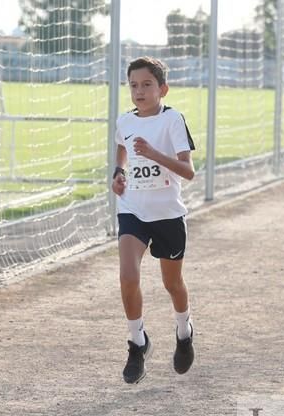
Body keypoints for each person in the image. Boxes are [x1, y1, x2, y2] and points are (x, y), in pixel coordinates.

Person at [112, 57, 196, 384]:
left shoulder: (172, 119)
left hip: (168, 215)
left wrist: (154, 155)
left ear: (162, 88)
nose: (139, 91)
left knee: (172, 284)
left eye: (147, 85)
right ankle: (136, 342)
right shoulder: (125, 121)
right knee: (128, 275)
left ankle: (184, 330)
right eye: (134, 85)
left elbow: (188, 171)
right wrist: (119, 174)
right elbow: (122, 148)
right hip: (133, 210)